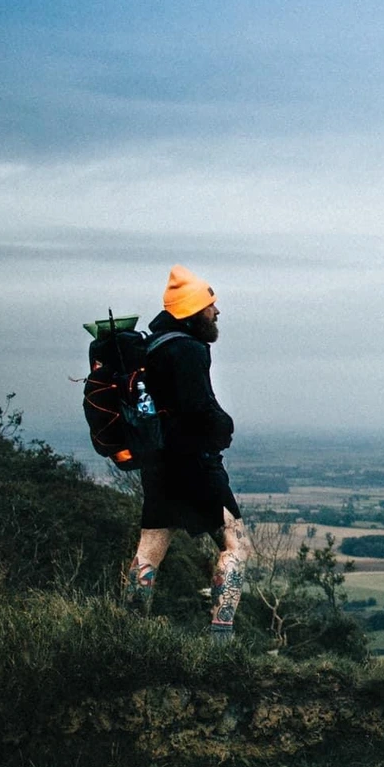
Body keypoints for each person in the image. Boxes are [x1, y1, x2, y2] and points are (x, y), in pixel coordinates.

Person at [122, 265, 252, 643]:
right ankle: (220, 640)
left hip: (158, 465)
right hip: (195, 465)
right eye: (211, 305)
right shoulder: (189, 350)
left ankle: (128, 629)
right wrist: (224, 426)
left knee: (150, 547)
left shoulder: (153, 347)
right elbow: (199, 409)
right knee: (236, 545)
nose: (217, 311)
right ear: (194, 310)